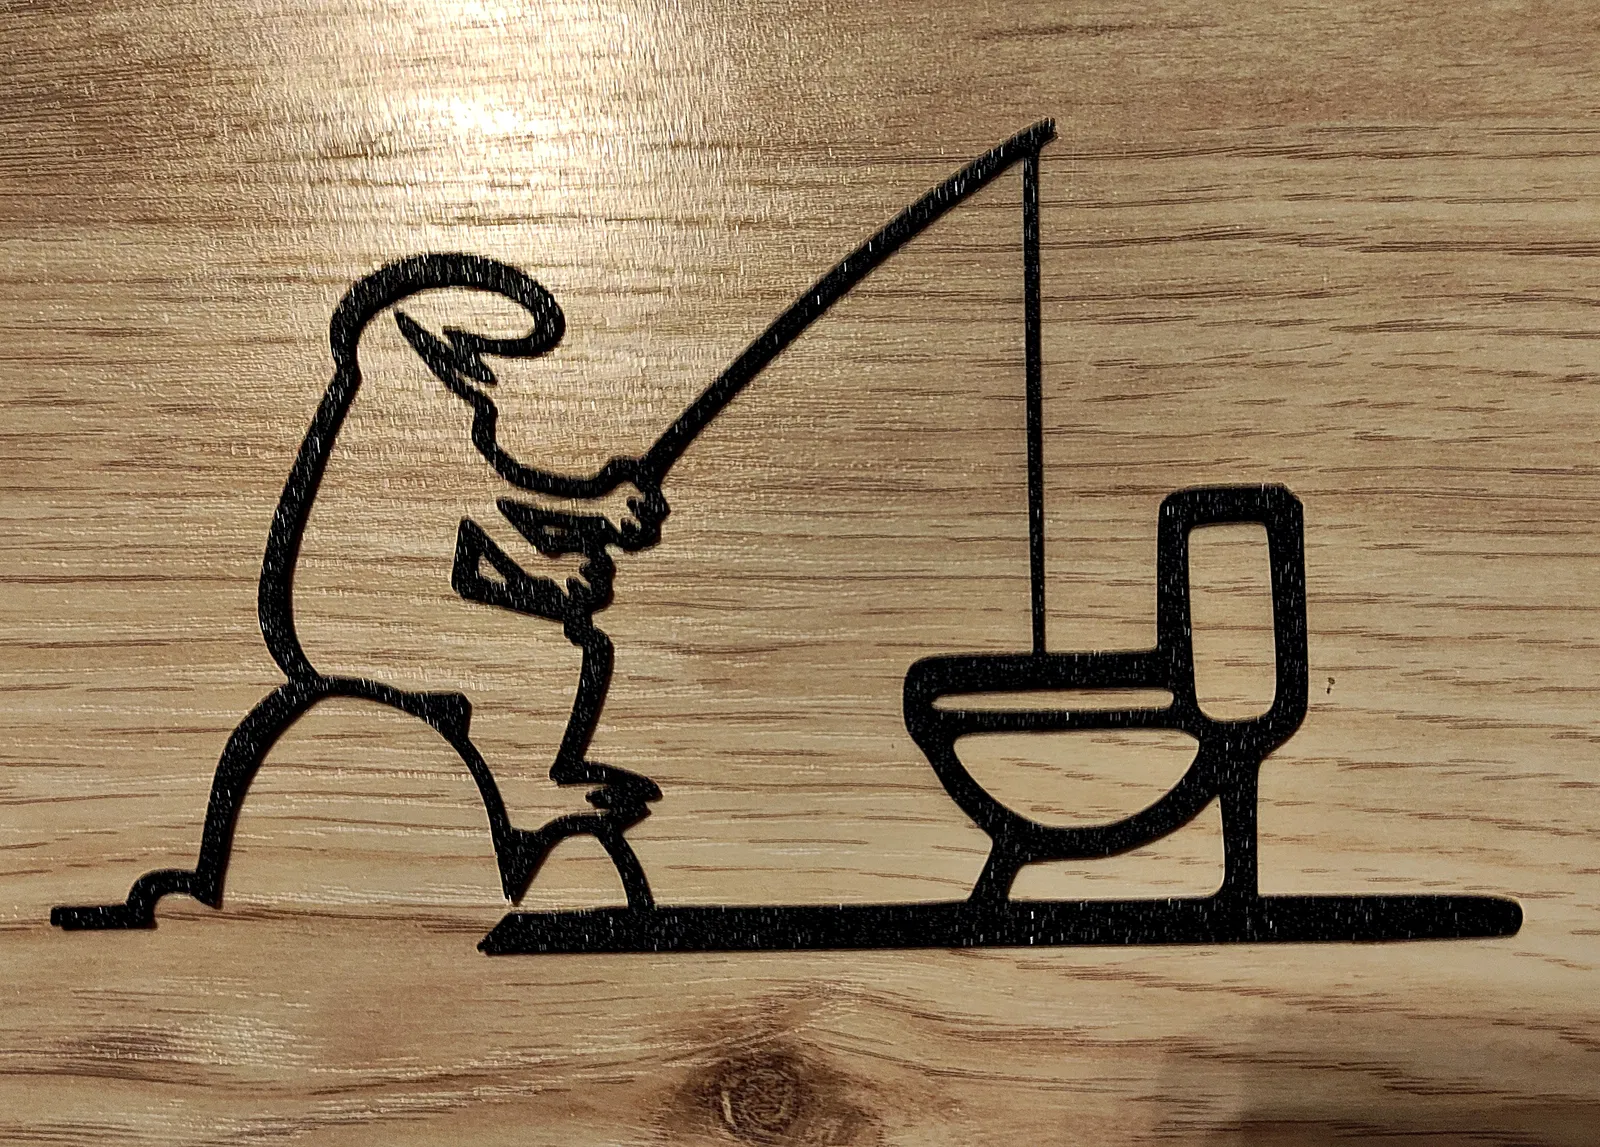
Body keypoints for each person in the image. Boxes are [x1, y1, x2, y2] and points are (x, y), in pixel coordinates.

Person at [53, 253, 666, 928]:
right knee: (541, 654)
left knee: (568, 640)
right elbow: (495, 505)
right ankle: (528, 798)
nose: (479, 370)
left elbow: (492, 529)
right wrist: (596, 513)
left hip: (412, 610)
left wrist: (565, 559)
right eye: (466, 351)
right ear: (418, 344)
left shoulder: (432, 414)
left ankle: (532, 791)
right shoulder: (399, 417)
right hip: (361, 628)